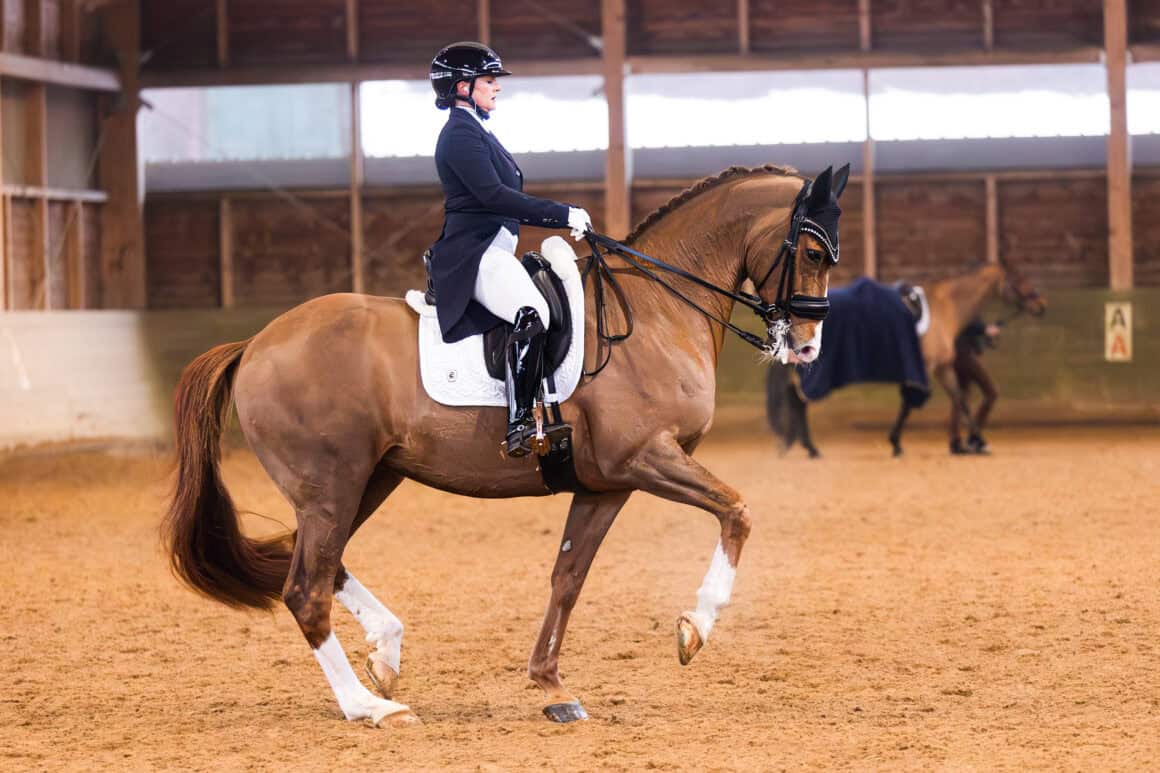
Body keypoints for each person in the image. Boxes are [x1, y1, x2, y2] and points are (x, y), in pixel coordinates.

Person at [427, 41, 592, 458]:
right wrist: (562, 213)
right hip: (475, 255)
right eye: (488, 79)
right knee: (530, 312)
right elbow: (494, 195)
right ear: (462, 86)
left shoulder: (476, 130)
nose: (496, 86)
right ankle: (519, 422)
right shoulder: (459, 135)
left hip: (494, 249)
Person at [950, 317, 1001, 455]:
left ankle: (955, 441)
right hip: (965, 355)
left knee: (961, 398)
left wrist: (984, 331)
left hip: (957, 354)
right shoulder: (968, 309)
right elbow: (971, 322)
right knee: (991, 392)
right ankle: (974, 436)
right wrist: (986, 329)